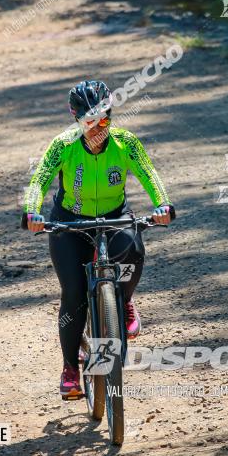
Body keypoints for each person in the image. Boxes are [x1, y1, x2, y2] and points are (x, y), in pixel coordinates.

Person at [21, 80, 174, 399]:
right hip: (69, 223)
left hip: (113, 215)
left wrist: (162, 205)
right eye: (89, 120)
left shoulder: (126, 143)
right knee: (74, 294)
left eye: (104, 118)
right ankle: (70, 370)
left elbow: (150, 174)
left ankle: (125, 301)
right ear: (75, 117)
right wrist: (32, 213)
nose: (97, 127)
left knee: (133, 250)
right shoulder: (63, 145)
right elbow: (39, 182)